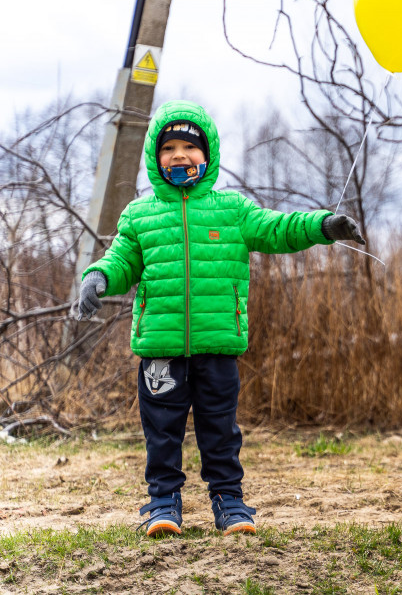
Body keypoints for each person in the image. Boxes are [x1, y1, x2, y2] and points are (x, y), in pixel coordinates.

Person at [74, 100, 365, 537]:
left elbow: (279, 228)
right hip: (161, 348)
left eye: (188, 147)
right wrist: (97, 276)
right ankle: (162, 504)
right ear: (156, 159)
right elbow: (120, 261)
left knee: (220, 431)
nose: (178, 156)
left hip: (218, 345)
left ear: (206, 155)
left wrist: (324, 227)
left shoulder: (232, 210)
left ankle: (229, 502)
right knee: (162, 433)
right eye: (168, 148)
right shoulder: (140, 215)